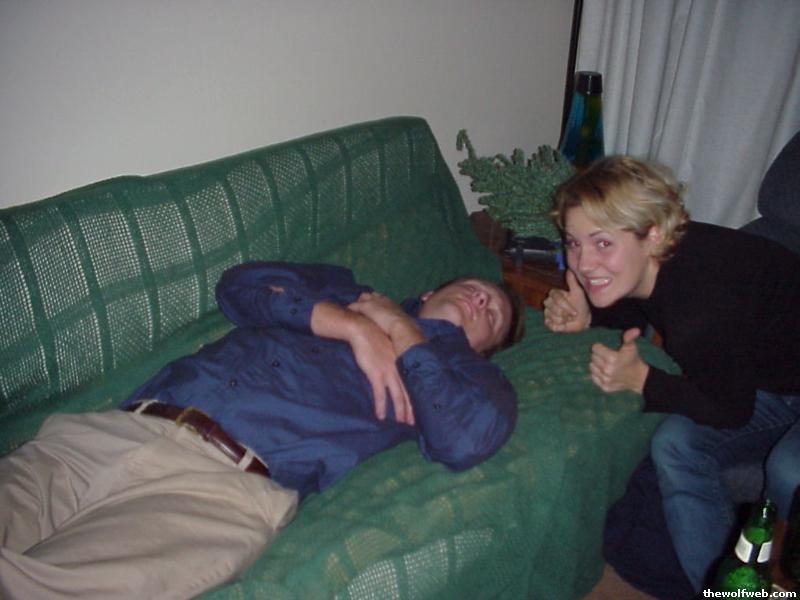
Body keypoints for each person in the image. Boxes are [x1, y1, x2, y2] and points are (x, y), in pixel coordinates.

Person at [0, 261, 524, 599]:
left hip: (220, 491)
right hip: (116, 432)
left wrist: (403, 331)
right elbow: (239, 285)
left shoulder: (467, 380)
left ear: (484, 351)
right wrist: (355, 324)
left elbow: (464, 440)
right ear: (431, 288)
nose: (482, 301)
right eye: (476, 289)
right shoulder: (345, 291)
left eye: (493, 315)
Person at [541, 156, 800, 592]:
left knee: (789, 470)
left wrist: (643, 379)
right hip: (771, 379)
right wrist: (586, 317)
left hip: (769, 387)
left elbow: (730, 410)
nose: (583, 263)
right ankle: (729, 590)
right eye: (573, 243)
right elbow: (636, 306)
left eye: (602, 243)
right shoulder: (660, 261)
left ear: (653, 235)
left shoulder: (702, 303)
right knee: (674, 443)